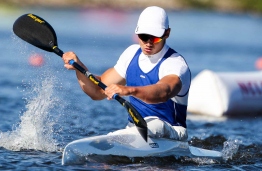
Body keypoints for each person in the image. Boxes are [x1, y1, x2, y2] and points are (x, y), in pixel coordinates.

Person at [62, 6, 191, 141]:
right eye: (144, 36)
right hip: (136, 130)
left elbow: (164, 91)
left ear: (167, 33)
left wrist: (129, 90)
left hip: (172, 134)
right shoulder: (131, 54)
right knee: (141, 129)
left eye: (154, 38)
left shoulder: (175, 63)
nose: (148, 43)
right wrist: (79, 67)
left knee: (156, 125)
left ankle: (115, 141)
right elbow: (97, 91)